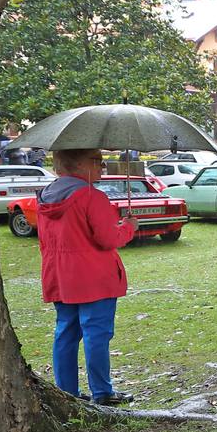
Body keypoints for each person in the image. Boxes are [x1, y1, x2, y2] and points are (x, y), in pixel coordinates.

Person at [36, 148, 137, 404]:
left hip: (60, 275)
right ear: (77, 165)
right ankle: (102, 392)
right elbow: (107, 239)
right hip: (94, 278)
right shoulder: (91, 196)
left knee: (66, 332)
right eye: (96, 161)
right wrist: (128, 227)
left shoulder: (46, 197)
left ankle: (66, 393)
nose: (102, 166)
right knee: (96, 334)